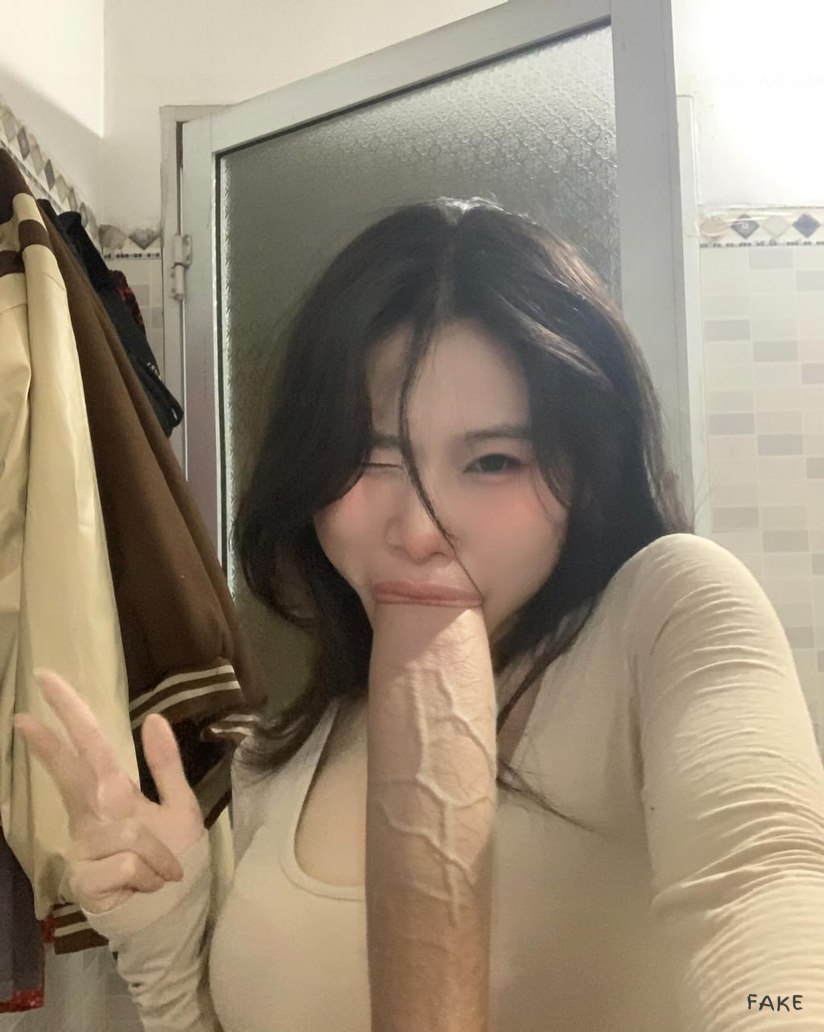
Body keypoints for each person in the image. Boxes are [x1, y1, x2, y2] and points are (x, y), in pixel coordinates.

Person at [13, 197, 824, 1032]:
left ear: (589, 474)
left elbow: (765, 891)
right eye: (370, 459)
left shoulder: (661, 621)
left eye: (494, 461)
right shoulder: (278, 762)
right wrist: (163, 938)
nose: (421, 530)